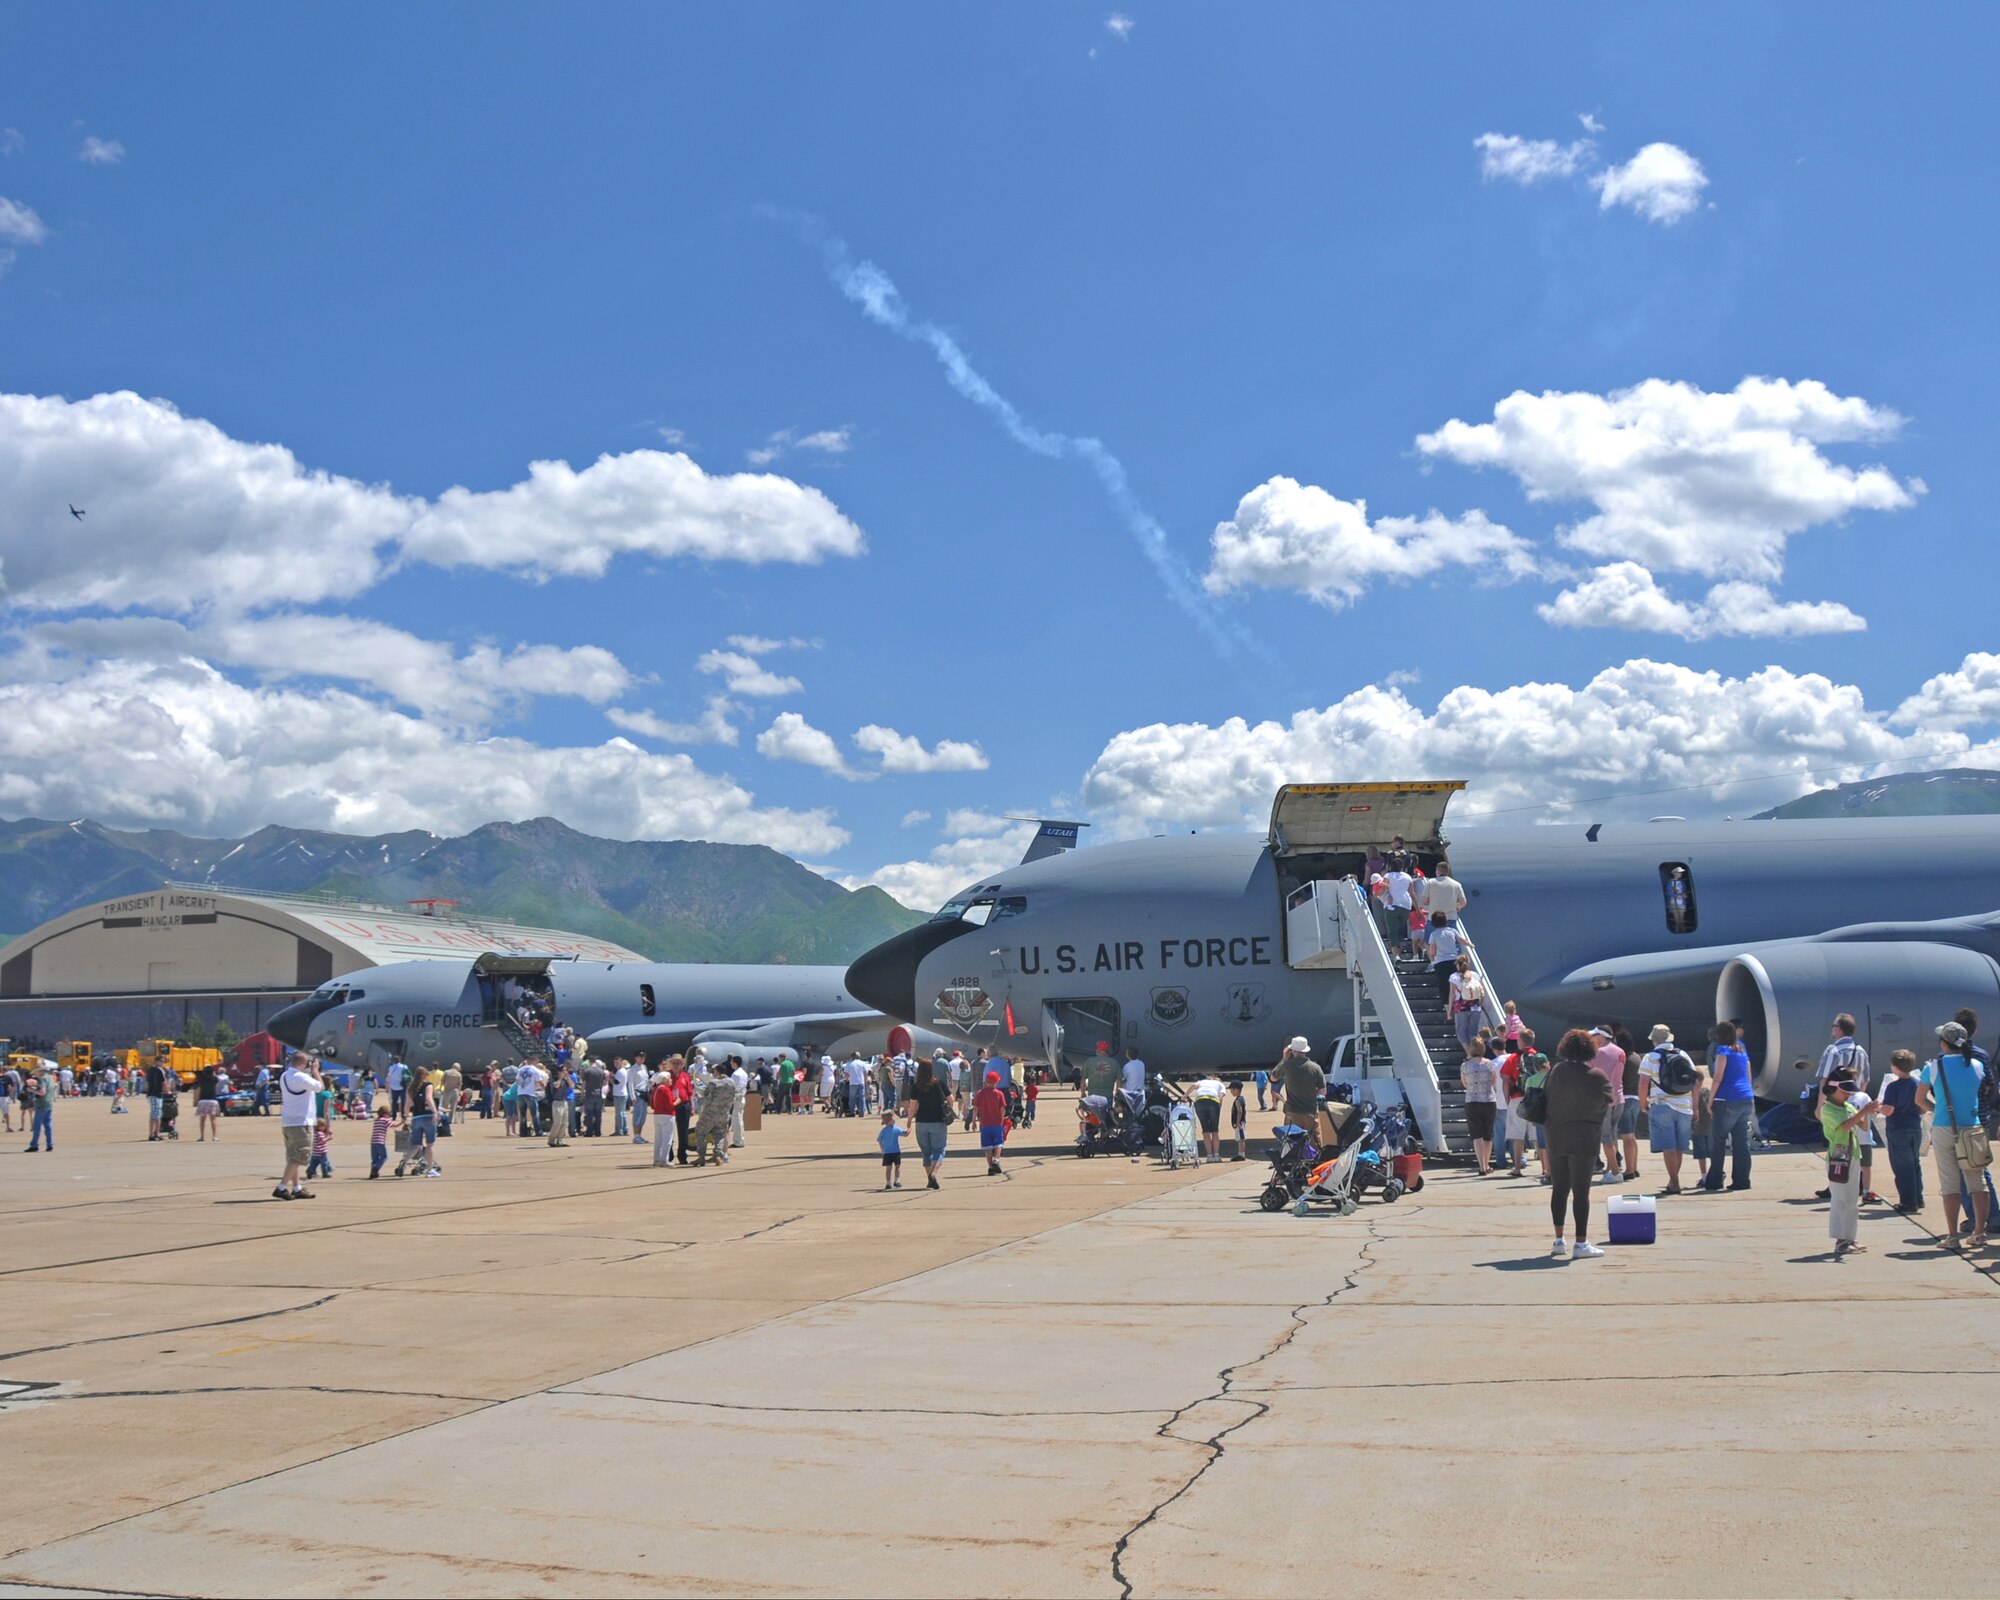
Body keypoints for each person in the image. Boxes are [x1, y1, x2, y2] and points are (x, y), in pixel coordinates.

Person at [1919, 1022, 1991, 1249]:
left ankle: (1952, 1236)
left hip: (1943, 1127)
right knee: (1977, 1183)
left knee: (1950, 1184)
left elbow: (1919, 1100)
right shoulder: (1977, 1065)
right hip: (1972, 1127)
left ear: (1943, 1043)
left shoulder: (1932, 1067)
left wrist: (1937, 1108)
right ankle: (1979, 1232)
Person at [1544, 1030, 1614, 1259]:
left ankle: (1558, 1239)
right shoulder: (1596, 1075)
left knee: (1559, 1188)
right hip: (1584, 1138)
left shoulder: (1556, 1072)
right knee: (1581, 1192)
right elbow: (1607, 1102)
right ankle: (1581, 1243)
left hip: (1556, 1136)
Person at [1812, 1015, 1875, 1201]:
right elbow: (1865, 1080)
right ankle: (1859, 1182)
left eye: (1834, 1026)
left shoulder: (1833, 1051)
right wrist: (1858, 1098)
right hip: (1856, 1101)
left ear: (1839, 1029)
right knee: (1859, 1143)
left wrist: (1820, 1105)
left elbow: (1826, 1079)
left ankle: (1837, 1178)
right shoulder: (1861, 1051)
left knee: (1836, 1141)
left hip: (1838, 1102)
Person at [1638, 1024, 1697, 1195]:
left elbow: (1643, 1083)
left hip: (1662, 1104)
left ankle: (1675, 1182)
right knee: (1679, 1147)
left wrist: (1643, 1104)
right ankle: (1673, 1180)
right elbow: (1695, 1080)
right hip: (1684, 1106)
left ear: (1654, 1040)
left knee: (1668, 1147)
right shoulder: (1683, 1055)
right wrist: (1694, 1107)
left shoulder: (1650, 1057)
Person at [1701, 1021, 1756, 1192]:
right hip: (1745, 1098)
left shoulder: (1722, 1051)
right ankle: (1742, 1180)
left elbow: (1718, 1077)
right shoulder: (1741, 1051)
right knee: (1741, 1142)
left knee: (1718, 1141)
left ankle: (1715, 1179)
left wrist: (1710, 1100)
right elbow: (1748, 1076)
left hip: (1727, 1099)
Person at [1818, 1076, 1870, 1258]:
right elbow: (1843, 1128)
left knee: (1851, 1200)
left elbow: (1863, 1127)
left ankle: (1850, 1238)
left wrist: (1865, 1112)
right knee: (1839, 1199)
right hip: (1838, 1158)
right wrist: (1861, 1113)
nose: (1848, 1095)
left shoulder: (1848, 1107)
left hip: (1853, 1155)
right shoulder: (1828, 1109)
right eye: (1844, 1091)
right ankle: (1840, 1240)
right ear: (1832, 1090)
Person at [1875, 1049, 1925, 1213]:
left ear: (1895, 1067)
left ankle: (1908, 1202)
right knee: (1914, 1164)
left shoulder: (1893, 1087)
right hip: (1915, 1127)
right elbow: (1923, 1108)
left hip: (1898, 1129)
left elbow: (1889, 1110)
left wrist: (1878, 1108)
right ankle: (1918, 1197)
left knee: (1902, 1167)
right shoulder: (1918, 1083)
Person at [275, 1055, 322, 1200]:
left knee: (292, 1156)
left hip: (288, 1121)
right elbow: (320, 1087)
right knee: (300, 1156)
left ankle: (296, 1188)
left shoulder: (284, 1076)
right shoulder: (301, 1077)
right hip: (301, 1122)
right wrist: (315, 1071)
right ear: (302, 1063)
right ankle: (281, 1187)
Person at [1586, 1027, 1628, 1183]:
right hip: (1619, 1096)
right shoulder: (1620, 1052)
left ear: (1601, 1037)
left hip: (1602, 1099)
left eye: (1595, 1036)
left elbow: (1588, 1073)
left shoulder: (1596, 1053)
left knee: (1606, 1137)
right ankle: (1612, 1168)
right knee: (1613, 1134)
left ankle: (1615, 1172)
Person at [906, 1058, 952, 1190]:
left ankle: (929, 1179)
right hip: (938, 1121)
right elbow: (951, 1099)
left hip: (921, 1122)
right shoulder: (939, 1083)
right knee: (939, 1149)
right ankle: (934, 1174)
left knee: (926, 1152)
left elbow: (912, 1106)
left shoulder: (916, 1086)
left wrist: (909, 1121)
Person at [1460, 1040, 1498, 1176]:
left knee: (1477, 1135)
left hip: (1472, 1101)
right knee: (1488, 1135)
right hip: (1488, 1101)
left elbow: (1465, 1084)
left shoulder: (1465, 1066)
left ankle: (1481, 1166)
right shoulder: (1490, 1064)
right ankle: (1487, 1164)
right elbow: (1494, 1083)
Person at [1272, 1037, 1326, 1131]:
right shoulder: (1316, 1068)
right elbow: (1322, 1091)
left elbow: (1273, 1077)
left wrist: (1284, 1058)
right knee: (1313, 1143)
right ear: (1306, 1050)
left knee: (1292, 1142)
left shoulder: (1287, 1066)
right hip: (1310, 1111)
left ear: (1293, 1050)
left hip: (1292, 1112)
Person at [693, 1060, 738, 1166]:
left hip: (710, 1113)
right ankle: (717, 1156)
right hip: (724, 1113)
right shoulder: (731, 1082)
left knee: (700, 1132)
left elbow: (707, 1099)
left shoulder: (713, 1083)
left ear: (717, 1072)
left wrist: (701, 1097)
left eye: (713, 1072)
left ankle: (701, 1157)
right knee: (720, 1135)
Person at [1425, 914, 1469, 1008]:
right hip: (1454, 961)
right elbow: (1463, 940)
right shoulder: (1452, 931)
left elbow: (1432, 952)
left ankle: (1448, 1011)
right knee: (1456, 984)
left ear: (1434, 923)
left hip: (1441, 963)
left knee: (1444, 987)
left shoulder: (1433, 935)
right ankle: (1459, 1007)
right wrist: (1471, 945)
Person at [402, 1067, 441, 1176]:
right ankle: (429, 1170)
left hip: (416, 1118)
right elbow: (428, 1099)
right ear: (424, 1076)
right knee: (430, 1144)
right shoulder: (428, 1085)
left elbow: (407, 1104)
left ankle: (404, 1163)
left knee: (416, 1145)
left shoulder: (410, 1088)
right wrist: (435, 1112)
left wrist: (406, 1115)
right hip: (428, 1116)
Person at [975, 1069, 1009, 1176]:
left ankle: (990, 1167)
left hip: (985, 1124)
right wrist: (1002, 1118)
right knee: (999, 1143)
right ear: (996, 1082)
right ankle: (996, 1160)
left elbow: (976, 1108)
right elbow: (1002, 1108)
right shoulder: (999, 1093)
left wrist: (973, 1121)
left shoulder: (980, 1093)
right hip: (997, 1123)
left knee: (987, 1147)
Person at [1449, 955, 1485, 1052]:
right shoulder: (1475, 975)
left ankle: (1469, 1053)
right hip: (1476, 1007)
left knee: (1461, 1032)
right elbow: (1482, 992)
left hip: (1461, 1008)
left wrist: (1449, 1011)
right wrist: (1480, 1005)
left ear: (1458, 964)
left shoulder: (1454, 977)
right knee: (1473, 1032)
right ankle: (1477, 1053)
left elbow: (1452, 995)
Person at [1191, 1073, 1225, 1163]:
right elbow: (1220, 1097)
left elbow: (1194, 1085)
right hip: (1213, 1101)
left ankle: (1209, 1155)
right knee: (1214, 1130)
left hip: (1199, 1101)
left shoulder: (1202, 1082)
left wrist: (1185, 1096)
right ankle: (1216, 1155)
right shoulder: (1221, 1084)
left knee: (1205, 1130)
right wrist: (1218, 1107)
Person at [22, 1064, 54, 1153]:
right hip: (48, 1104)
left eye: (35, 1073)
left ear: (38, 1072)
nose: (34, 1075)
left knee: (37, 1126)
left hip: (41, 1105)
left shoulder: (42, 1079)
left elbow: (42, 1092)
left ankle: (34, 1145)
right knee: (48, 1125)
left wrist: (31, 1090)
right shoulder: (49, 1077)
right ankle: (50, 1144)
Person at [546, 1061, 574, 1148]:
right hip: (557, 1103)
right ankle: (551, 1140)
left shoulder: (565, 1080)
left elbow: (572, 1086)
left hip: (564, 1101)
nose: (565, 1072)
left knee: (564, 1122)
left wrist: (567, 1077)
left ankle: (560, 1140)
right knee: (557, 1123)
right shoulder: (554, 1079)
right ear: (559, 1072)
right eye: (563, 1070)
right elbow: (556, 1086)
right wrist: (561, 1078)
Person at [878, 1113, 905, 1190]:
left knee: (889, 1168)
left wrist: (882, 1150)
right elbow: (904, 1134)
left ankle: (889, 1182)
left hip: (887, 1152)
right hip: (895, 1151)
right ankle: (894, 1181)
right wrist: (909, 1129)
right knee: (897, 1166)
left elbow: (879, 1141)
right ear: (890, 1120)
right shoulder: (896, 1129)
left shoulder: (883, 1131)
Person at [306, 1116, 334, 1181]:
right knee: (324, 1163)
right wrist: (330, 1137)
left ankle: (310, 1170)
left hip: (315, 1152)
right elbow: (322, 1141)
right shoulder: (320, 1134)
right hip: (321, 1152)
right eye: (324, 1126)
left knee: (314, 1163)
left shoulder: (314, 1133)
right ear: (320, 1127)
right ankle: (325, 1173)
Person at [368, 1102, 392, 1178]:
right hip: (380, 1141)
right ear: (386, 1114)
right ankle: (376, 1169)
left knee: (375, 1158)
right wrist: (402, 1122)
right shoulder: (385, 1120)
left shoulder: (376, 1120)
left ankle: (373, 1173)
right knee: (384, 1157)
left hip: (373, 1141)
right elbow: (394, 1125)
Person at [1228, 1078, 1248, 1160]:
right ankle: (1241, 1153)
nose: (1231, 1092)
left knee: (1240, 1139)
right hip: (1242, 1121)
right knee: (1240, 1138)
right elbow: (1244, 1111)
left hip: (1239, 1122)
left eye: (1232, 1090)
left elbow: (1240, 1111)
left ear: (1236, 1090)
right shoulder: (1241, 1098)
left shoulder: (1238, 1100)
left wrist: (1238, 1121)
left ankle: (1241, 1154)